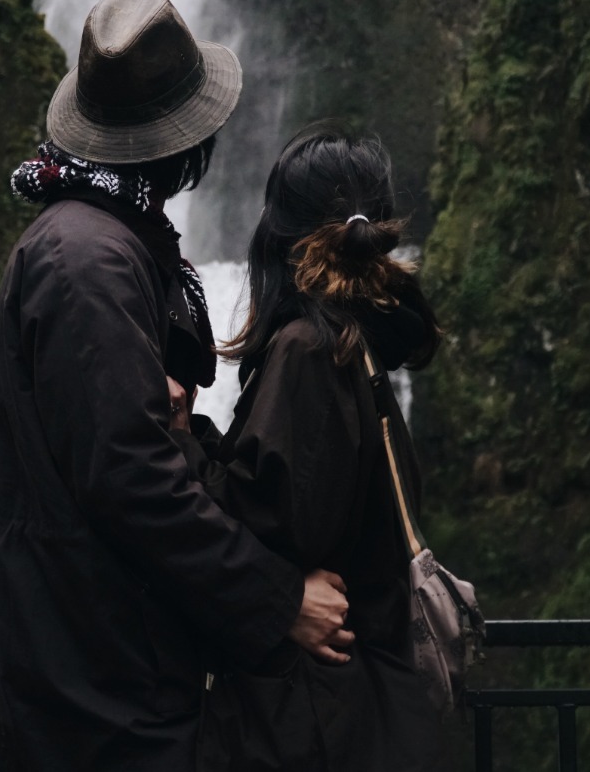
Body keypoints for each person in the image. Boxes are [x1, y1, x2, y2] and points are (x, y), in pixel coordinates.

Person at [0, 0, 355, 772]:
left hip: (96, 667)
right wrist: (277, 601)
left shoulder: (99, 239)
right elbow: (129, 473)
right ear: (182, 141)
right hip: (96, 694)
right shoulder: (89, 262)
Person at [170, 128, 448, 772]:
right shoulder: (366, 345)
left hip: (313, 714)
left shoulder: (311, 349)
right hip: (364, 700)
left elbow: (263, 519)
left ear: (276, 235)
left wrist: (181, 442)